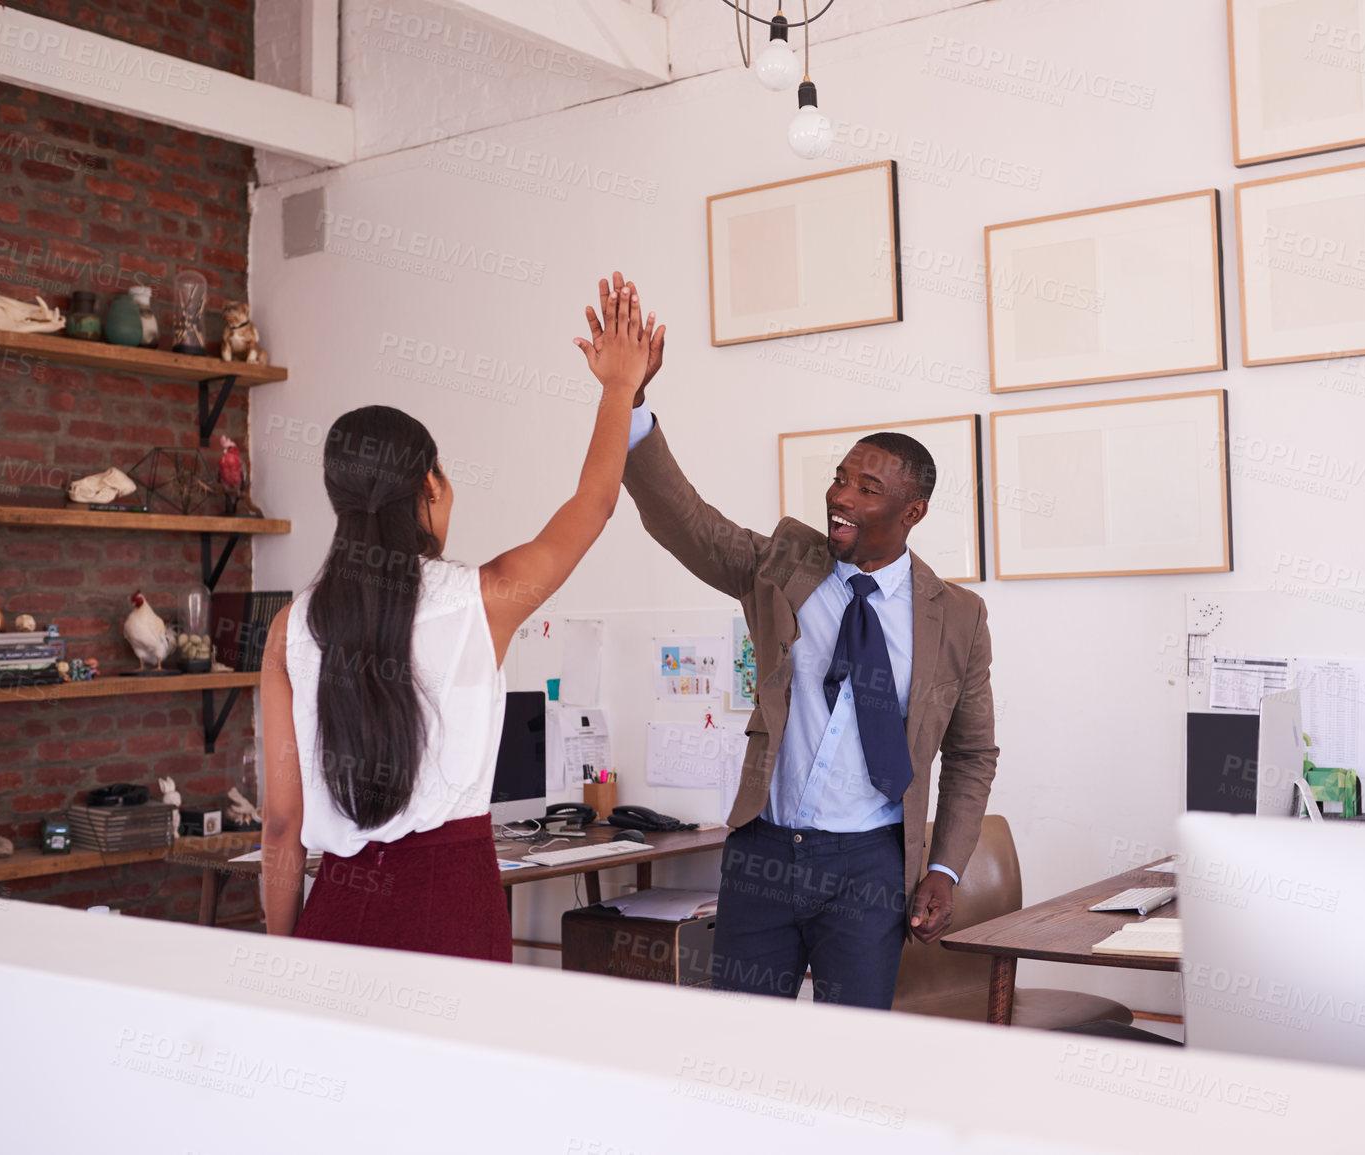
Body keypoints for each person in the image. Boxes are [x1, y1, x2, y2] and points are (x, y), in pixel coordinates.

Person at [575, 272, 999, 1009]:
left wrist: (946, 868)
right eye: (839, 478)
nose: (841, 495)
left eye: (868, 487)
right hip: (764, 852)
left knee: (848, 1052)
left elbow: (971, 753)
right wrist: (631, 403)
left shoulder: (956, 615)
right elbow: (688, 522)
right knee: (742, 1042)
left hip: (869, 864)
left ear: (912, 510)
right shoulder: (784, 564)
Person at [258, 282, 653, 959]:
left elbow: (280, 826)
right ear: (431, 487)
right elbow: (594, 503)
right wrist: (620, 385)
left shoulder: (291, 627)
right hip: (453, 911)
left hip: (339, 912)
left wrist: (286, 955)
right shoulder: (486, 597)